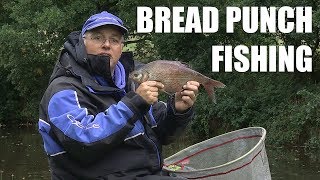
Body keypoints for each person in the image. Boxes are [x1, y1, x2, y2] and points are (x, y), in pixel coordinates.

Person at [38, 11, 199, 180]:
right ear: (83, 42)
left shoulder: (133, 82)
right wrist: (135, 104)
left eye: (114, 40)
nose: (107, 44)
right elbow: (84, 141)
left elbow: (164, 134)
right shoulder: (63, 90)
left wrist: (178, 111)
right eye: (98, 38)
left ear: (121, 48)